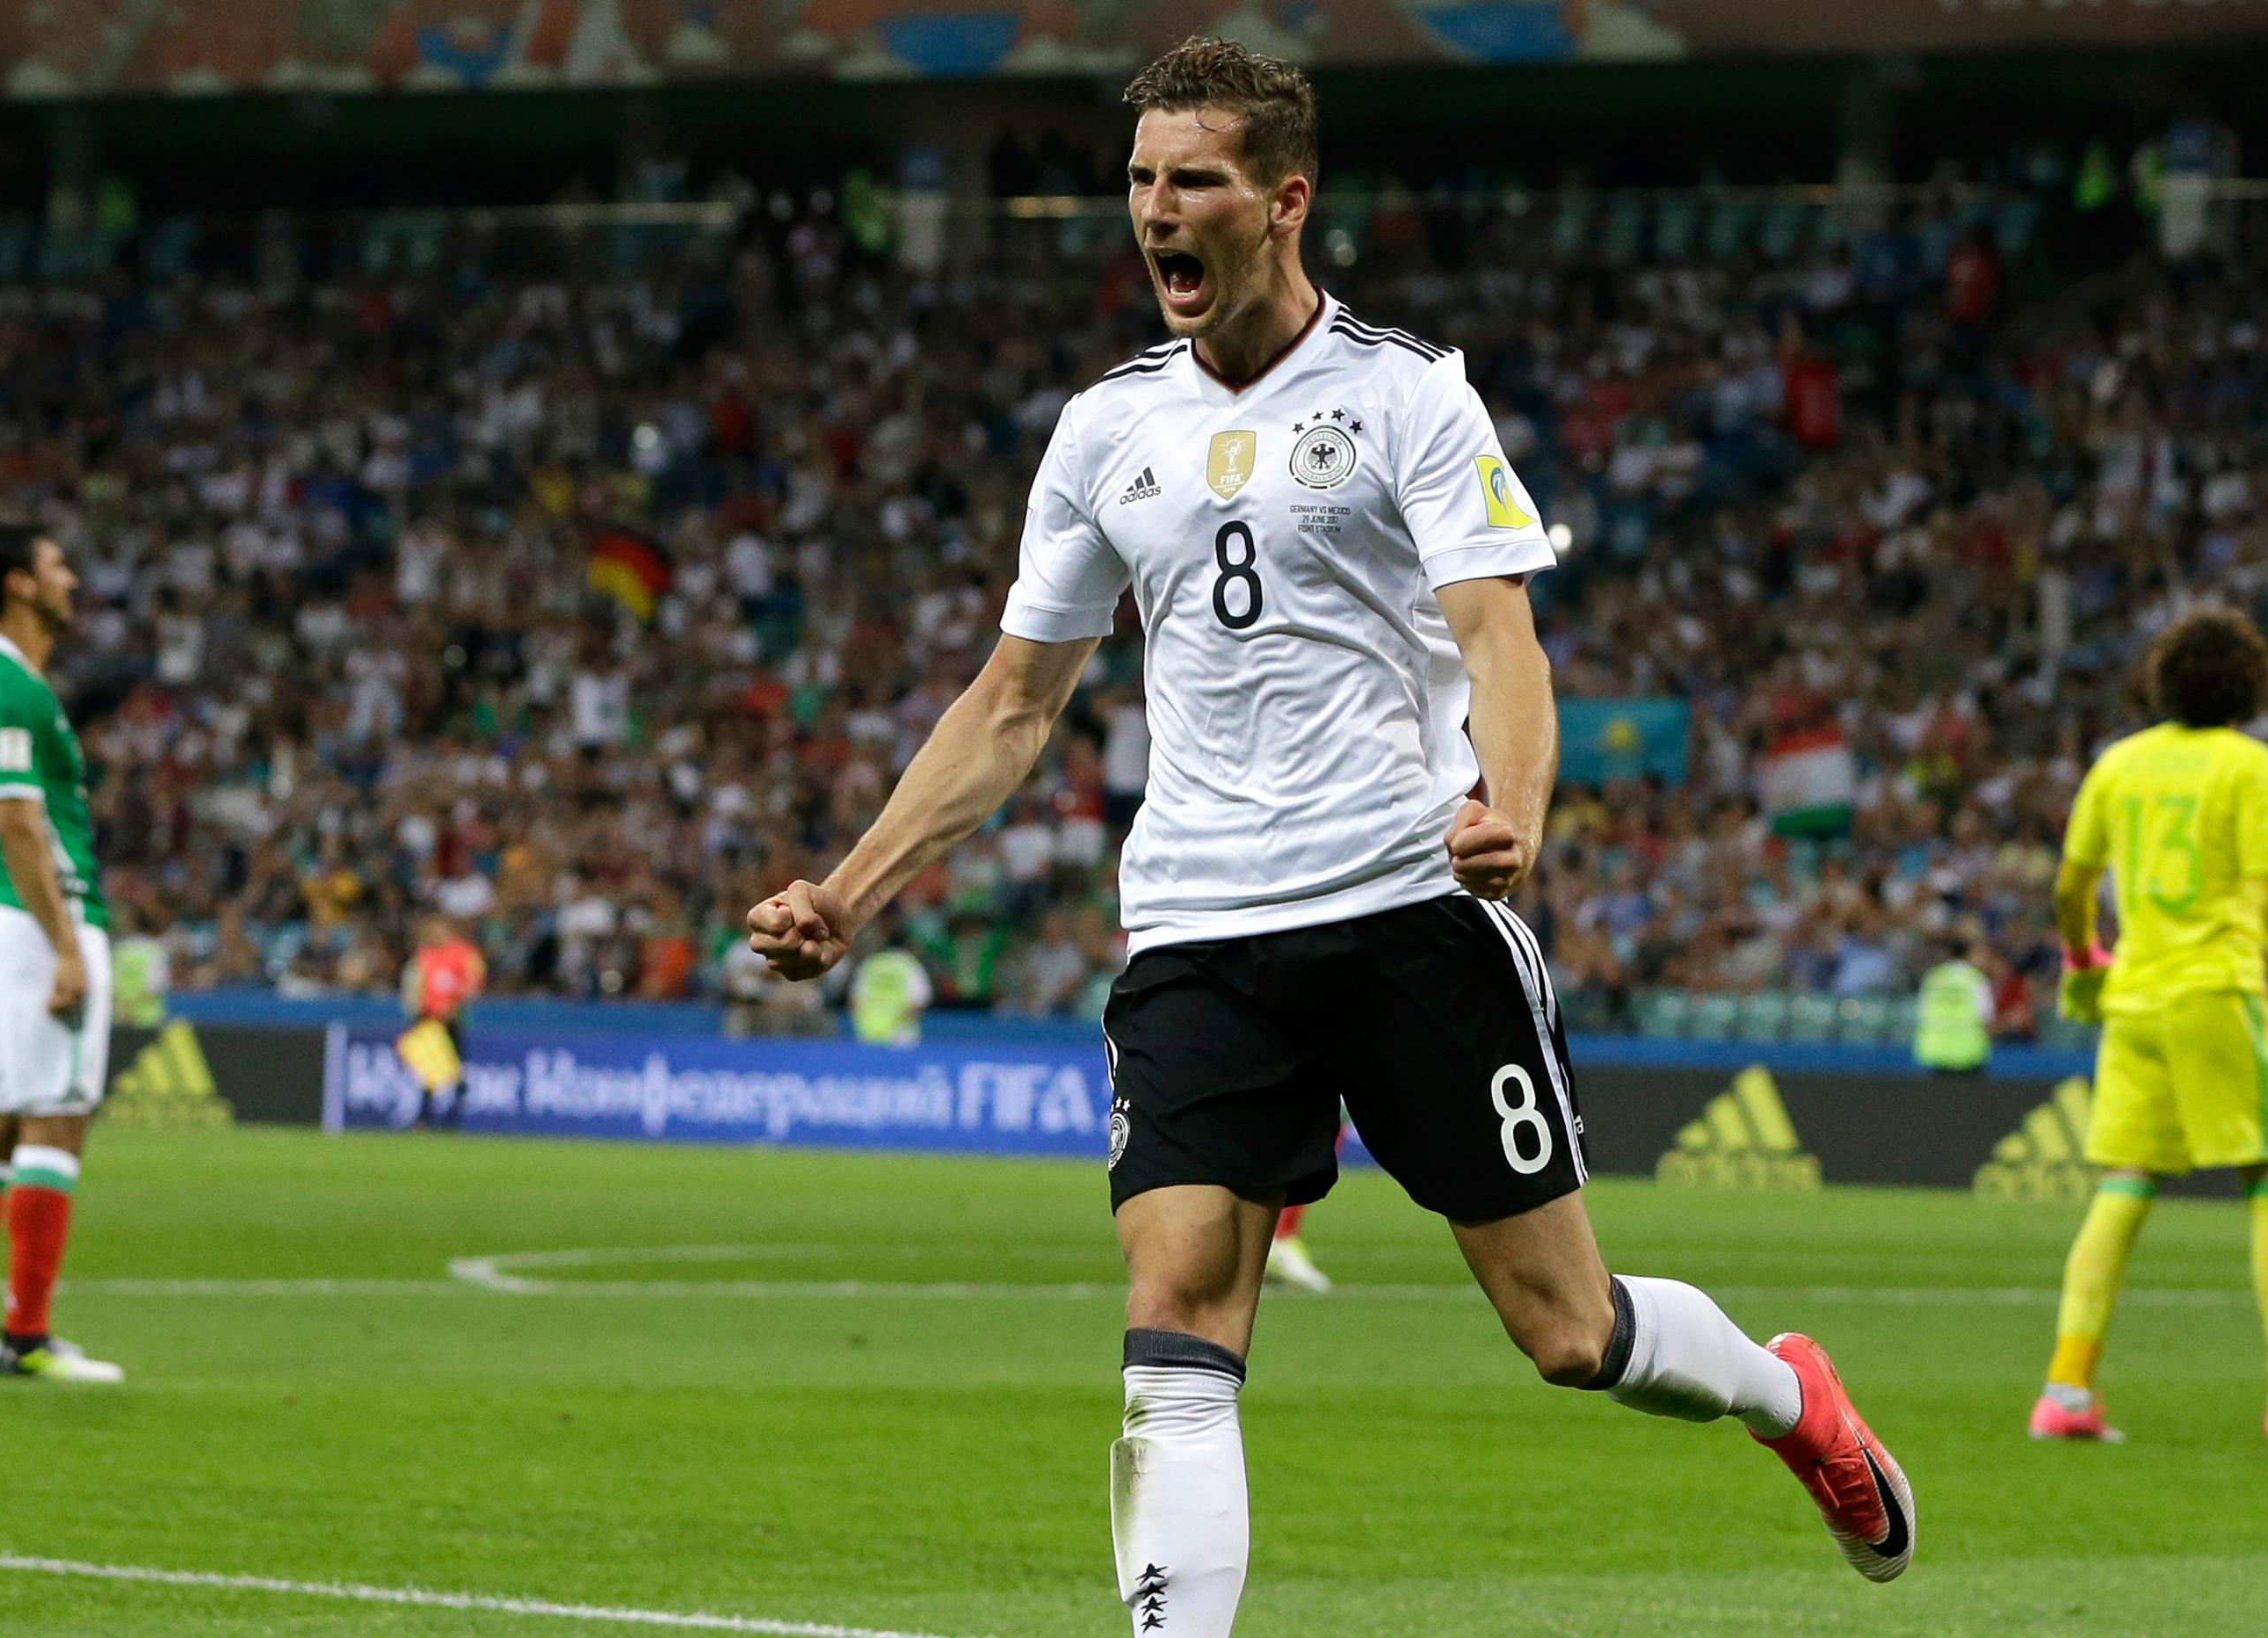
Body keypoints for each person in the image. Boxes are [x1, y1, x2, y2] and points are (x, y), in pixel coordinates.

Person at [746, 40, 1913, 1634]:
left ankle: (1793, 1403)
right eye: (1142, 180)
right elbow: (1016, 700)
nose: (1156, 212)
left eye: (1194, 181)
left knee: (1567, 1331)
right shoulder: (1102, 430)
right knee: (1173, 1324)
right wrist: (851, 886)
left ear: (1282, 201)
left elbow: (1500, 641)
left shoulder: (1400, 394)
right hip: (1195, 928)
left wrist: (1511, 807)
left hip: (1402, 908)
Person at [2037, 606, 2268, 1447]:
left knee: (2124, 1186)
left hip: (2134, 1001)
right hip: (2217, 994)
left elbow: (2072, 887)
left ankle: (2065, 1392)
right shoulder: (2249, 766)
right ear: (2251, 683)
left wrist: (2082, 962)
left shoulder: (2118, 764)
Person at [0, 521, 123, 1384]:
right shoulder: (9, 689)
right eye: (55, 567)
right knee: (56, 1116)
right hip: (39, 917)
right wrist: (67, 945)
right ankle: (29, 1339)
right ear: (18, 584)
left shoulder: (7, 684)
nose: (71, 579)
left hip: (2, 920)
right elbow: (16, 819)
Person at [399, 914, 486, 1127]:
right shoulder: (424, 956)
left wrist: (456, 1004)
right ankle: (425, 1117)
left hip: (453, 1021)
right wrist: (414, 1007)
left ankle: (454, 1118)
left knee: (454, 1069)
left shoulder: (464, 953)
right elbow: (412, 986)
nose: (436, 934)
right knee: (428, 1071)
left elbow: (475, 980)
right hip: (428, 1020)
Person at [1913, 925, 1994, 1075]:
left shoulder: (1933, 978)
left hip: (1936, 1052)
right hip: (1968, 1053)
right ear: (1969, 954)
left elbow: (1921, 1012)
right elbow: (1986, 1017)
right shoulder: (1975, 980)